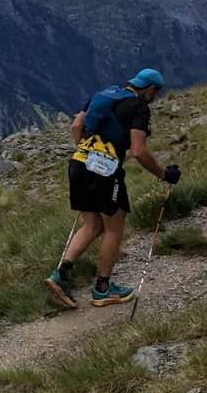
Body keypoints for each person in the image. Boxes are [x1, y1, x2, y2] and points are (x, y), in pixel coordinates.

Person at [45, 67, 181, 310]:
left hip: (78, 162)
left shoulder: (101, 94)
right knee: (114, 228)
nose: (155, 97)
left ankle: (61, 275)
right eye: (155, 93)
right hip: (105, 171)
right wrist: (164, 175)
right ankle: (103, 289)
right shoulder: (139, 107)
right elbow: (138, 151)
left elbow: (76, 126)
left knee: (92, 224)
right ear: (150, 89)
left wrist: (87, 152)